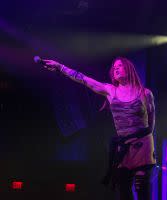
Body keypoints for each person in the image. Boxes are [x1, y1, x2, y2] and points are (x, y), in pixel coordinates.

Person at [42, 57, 156, 200]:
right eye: (114, 67)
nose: (116, 69)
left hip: (142, 145)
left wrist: (141, 139)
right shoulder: (110, 91)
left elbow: (151, 126)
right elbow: (83, 79)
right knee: (124, 190)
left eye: (119, 66)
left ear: (129, 69)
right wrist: (60, 67)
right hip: (123, 147)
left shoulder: (145, 93)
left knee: (142, 189)